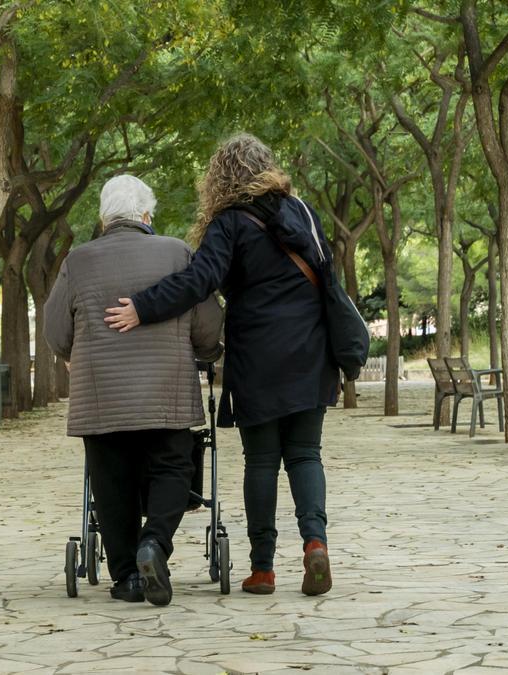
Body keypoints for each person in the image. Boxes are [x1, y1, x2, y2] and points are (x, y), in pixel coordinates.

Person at [105, 133, 337, 597]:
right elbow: (328, 273)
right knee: (306, 454)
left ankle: (263, 569)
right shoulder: (304, 213)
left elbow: (198, 281)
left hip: (258, 358)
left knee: (263, 460)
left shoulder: (229, 224)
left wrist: (143, 307)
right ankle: (315, 544)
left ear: (221, 177)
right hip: (313, 353)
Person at [44, 175, 223, 607]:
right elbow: (208, 325)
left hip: (101, 395)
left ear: (105, 218)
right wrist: (204, 350)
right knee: (172, 468)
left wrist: (75, 351)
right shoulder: (177, 252)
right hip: (168, 390)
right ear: (146, 216)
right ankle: (155, 545)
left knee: (110, 480)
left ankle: (126, 577)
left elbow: (55, 332)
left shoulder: (77, 261)